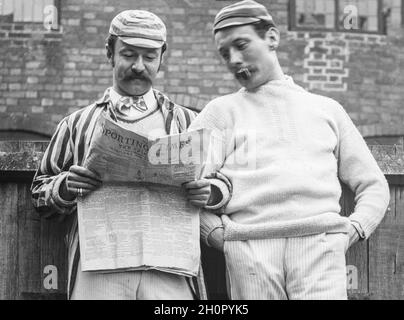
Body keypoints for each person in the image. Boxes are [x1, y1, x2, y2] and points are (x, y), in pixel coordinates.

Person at [190, 0, 390, 300]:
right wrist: (217, 235)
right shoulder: (221, 112)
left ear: (271, 37)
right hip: (250, 251)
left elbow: (373, 185)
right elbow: (179, 183)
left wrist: (353, 230)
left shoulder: (326, 109)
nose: (233, 59)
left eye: (241, 45)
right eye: (224, 53)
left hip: (319, 246)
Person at [31, 9, 229, 300]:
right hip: (98, 270)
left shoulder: (190, 123)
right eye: (128, 55)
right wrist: (65, 187)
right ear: (109, 53)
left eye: (149, 57)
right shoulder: (76, 124)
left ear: (162, 57)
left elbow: (224, 183)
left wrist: (209, 192)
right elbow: (39, 192)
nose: (138, 66)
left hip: (172, 269)